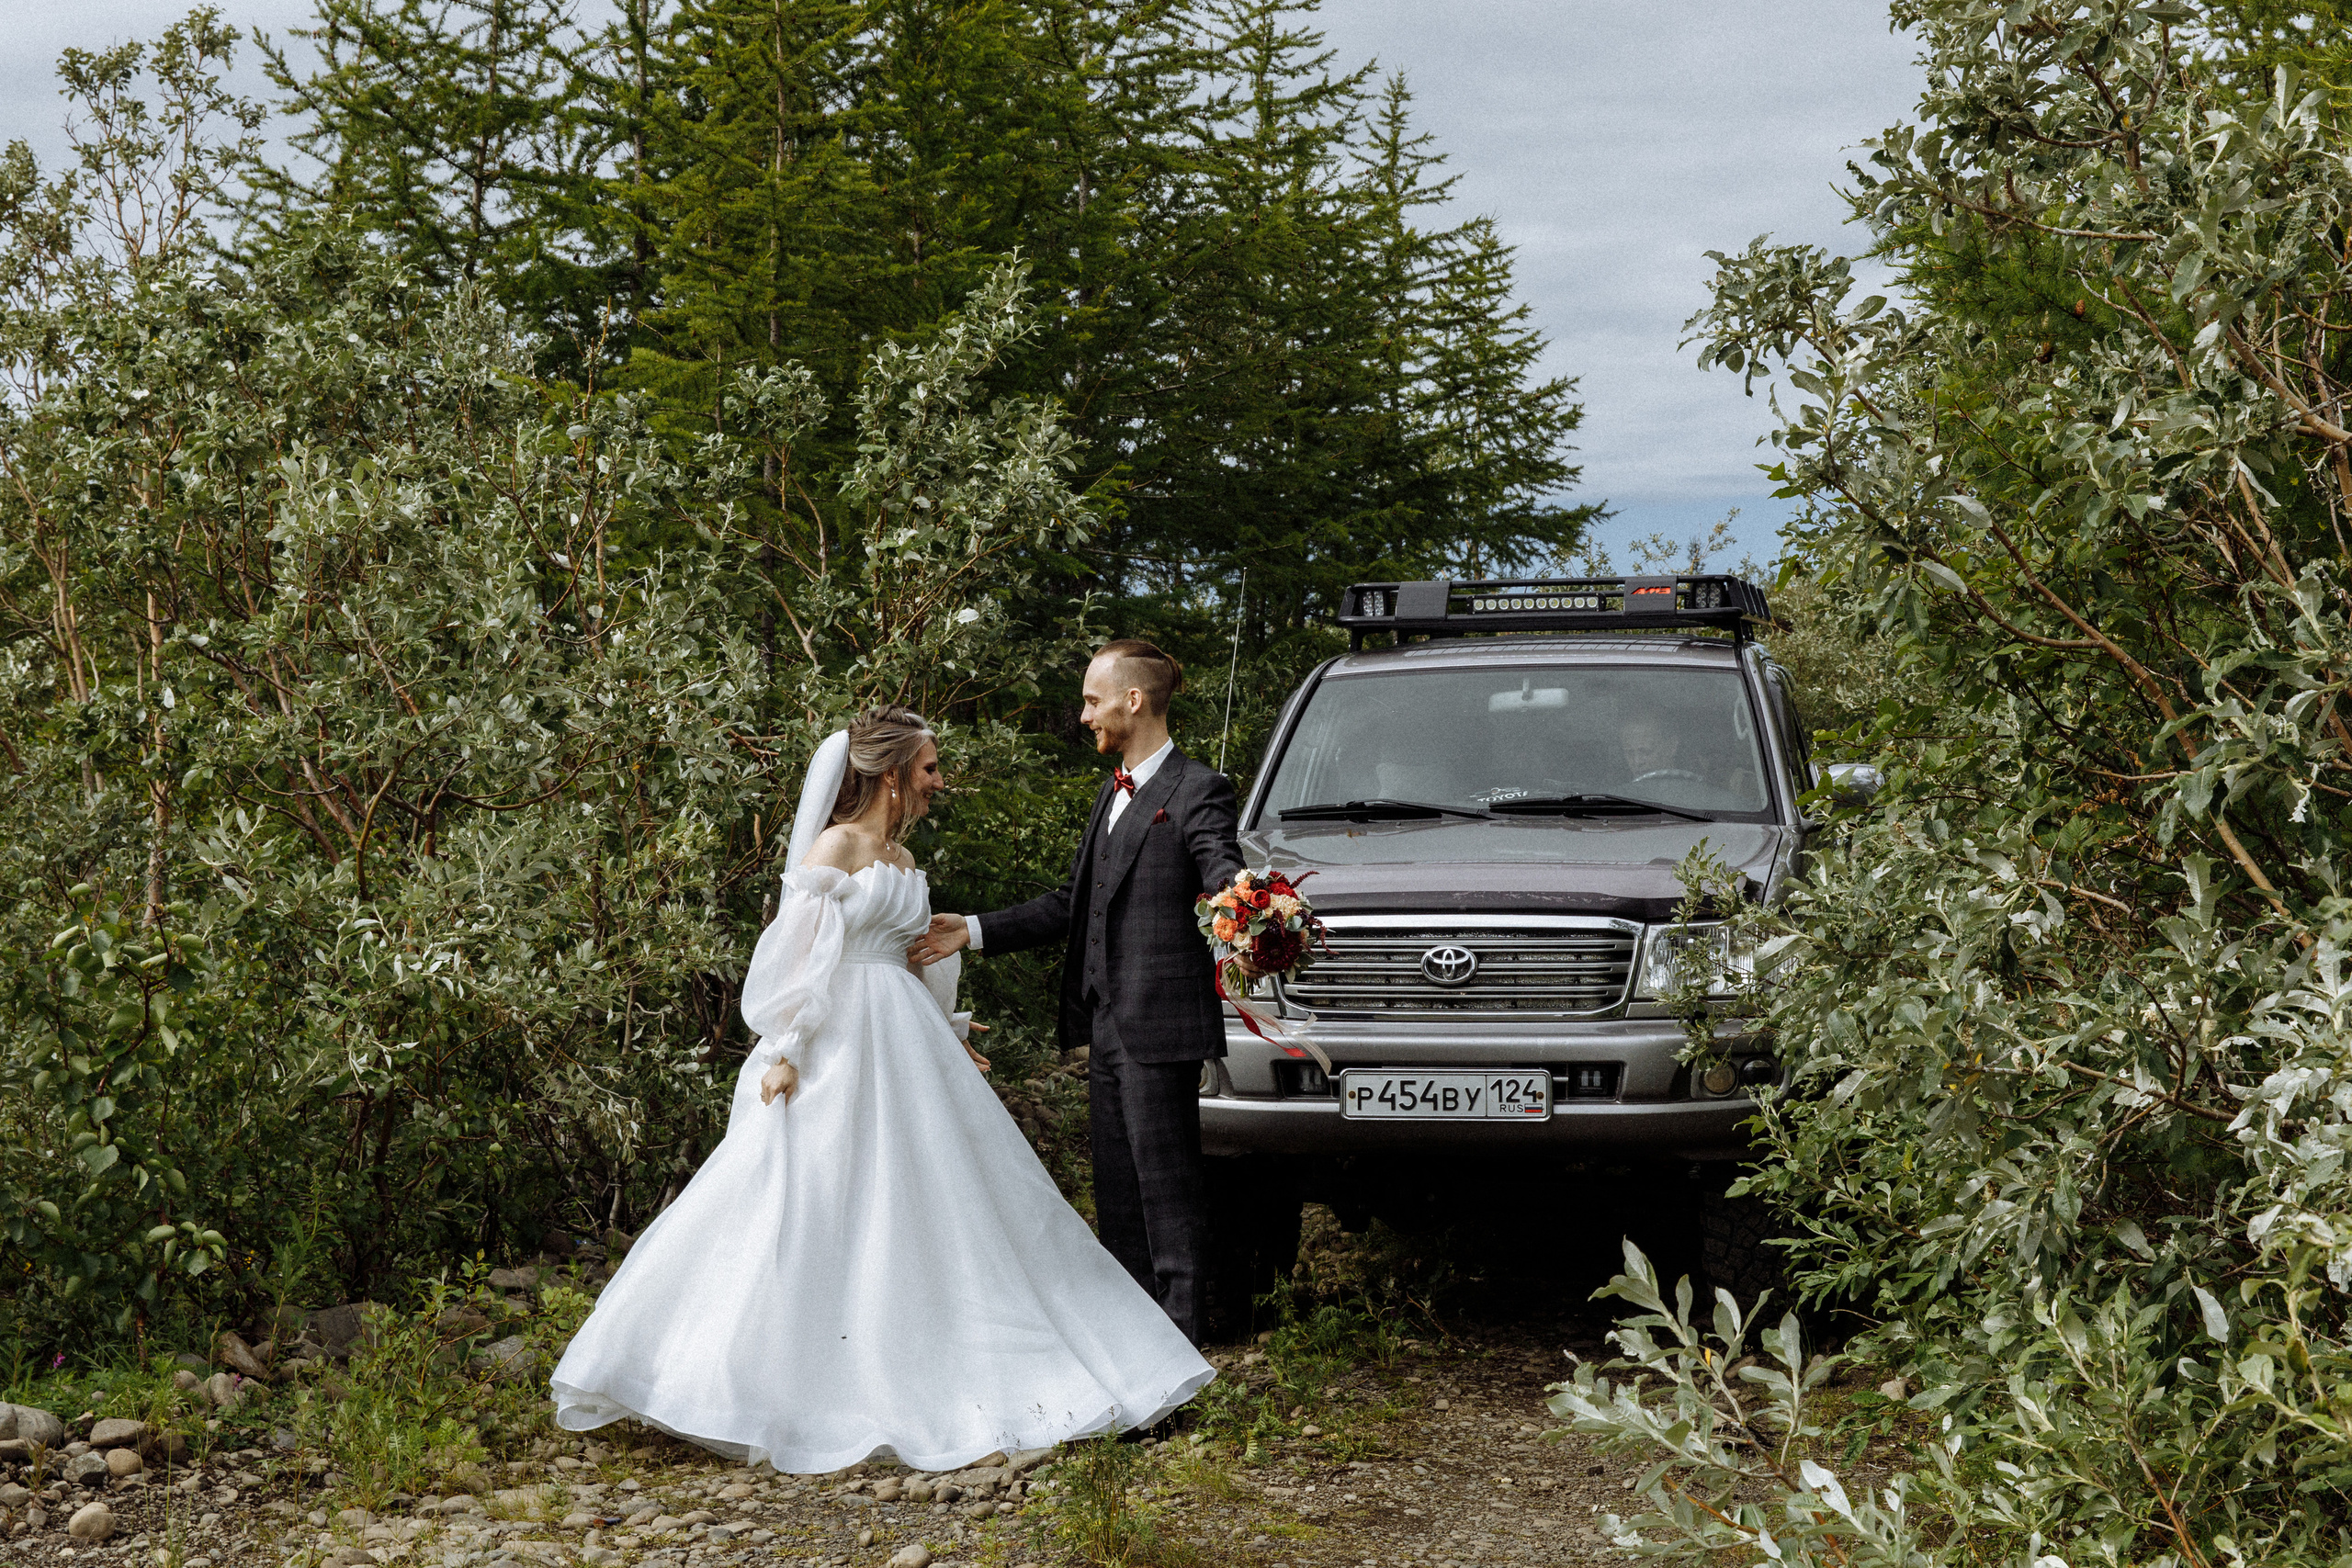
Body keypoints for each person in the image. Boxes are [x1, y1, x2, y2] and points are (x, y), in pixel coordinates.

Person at [549, 705, 1214, 1472]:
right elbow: (800, 955)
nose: (939, 780)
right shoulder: (837, 845)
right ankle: (724, 1377)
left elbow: (912, 956)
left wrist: (950, 1031)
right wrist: (787, 1048)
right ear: (893, 772)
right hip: (836, 1037)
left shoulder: (902, 854)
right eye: (929, 767)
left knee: (934, 1197)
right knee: (811, 1191)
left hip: (906, 1036)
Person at [916, 641, 1242, 1346]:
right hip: (1106, 1023)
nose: (1084, 714)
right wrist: (970, 929)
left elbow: (1222, 868)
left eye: (1094, 700)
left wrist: (1243, 907)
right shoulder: (1110, 791)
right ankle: (1133, 1344)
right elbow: (1072, 901)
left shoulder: (1198, 788)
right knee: (1118, 1194)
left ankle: (1182, 1344)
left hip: (1161, 1026)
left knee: (1167, 1191)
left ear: (1134, 699)